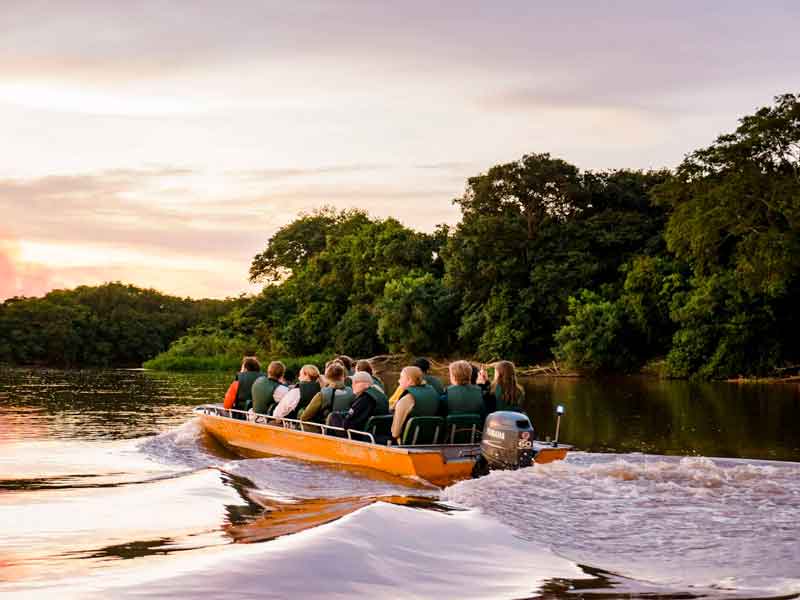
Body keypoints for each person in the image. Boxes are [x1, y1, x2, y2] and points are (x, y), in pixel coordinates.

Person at [390, 366, 440, 441]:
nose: (398, 381)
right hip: (433, 439)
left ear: (409, 380)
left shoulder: (405, 400)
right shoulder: (433, 392)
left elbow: (395, 433)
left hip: (409, 444)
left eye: (401, 377)